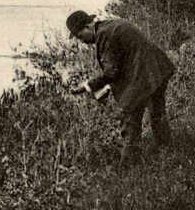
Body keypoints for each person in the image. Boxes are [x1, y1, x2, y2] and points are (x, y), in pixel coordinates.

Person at [66, 10, 174, 166]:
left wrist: (88, 85)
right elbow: (123, 64)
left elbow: (112, 72)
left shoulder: (104, 35)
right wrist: (108, 87)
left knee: (129, 116)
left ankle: (129, 166)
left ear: (88, 25)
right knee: (157, 114)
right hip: (157, 68)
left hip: (146, 73)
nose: (82, 41)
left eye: (80, 36)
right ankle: (167, 153)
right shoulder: (109, 26)